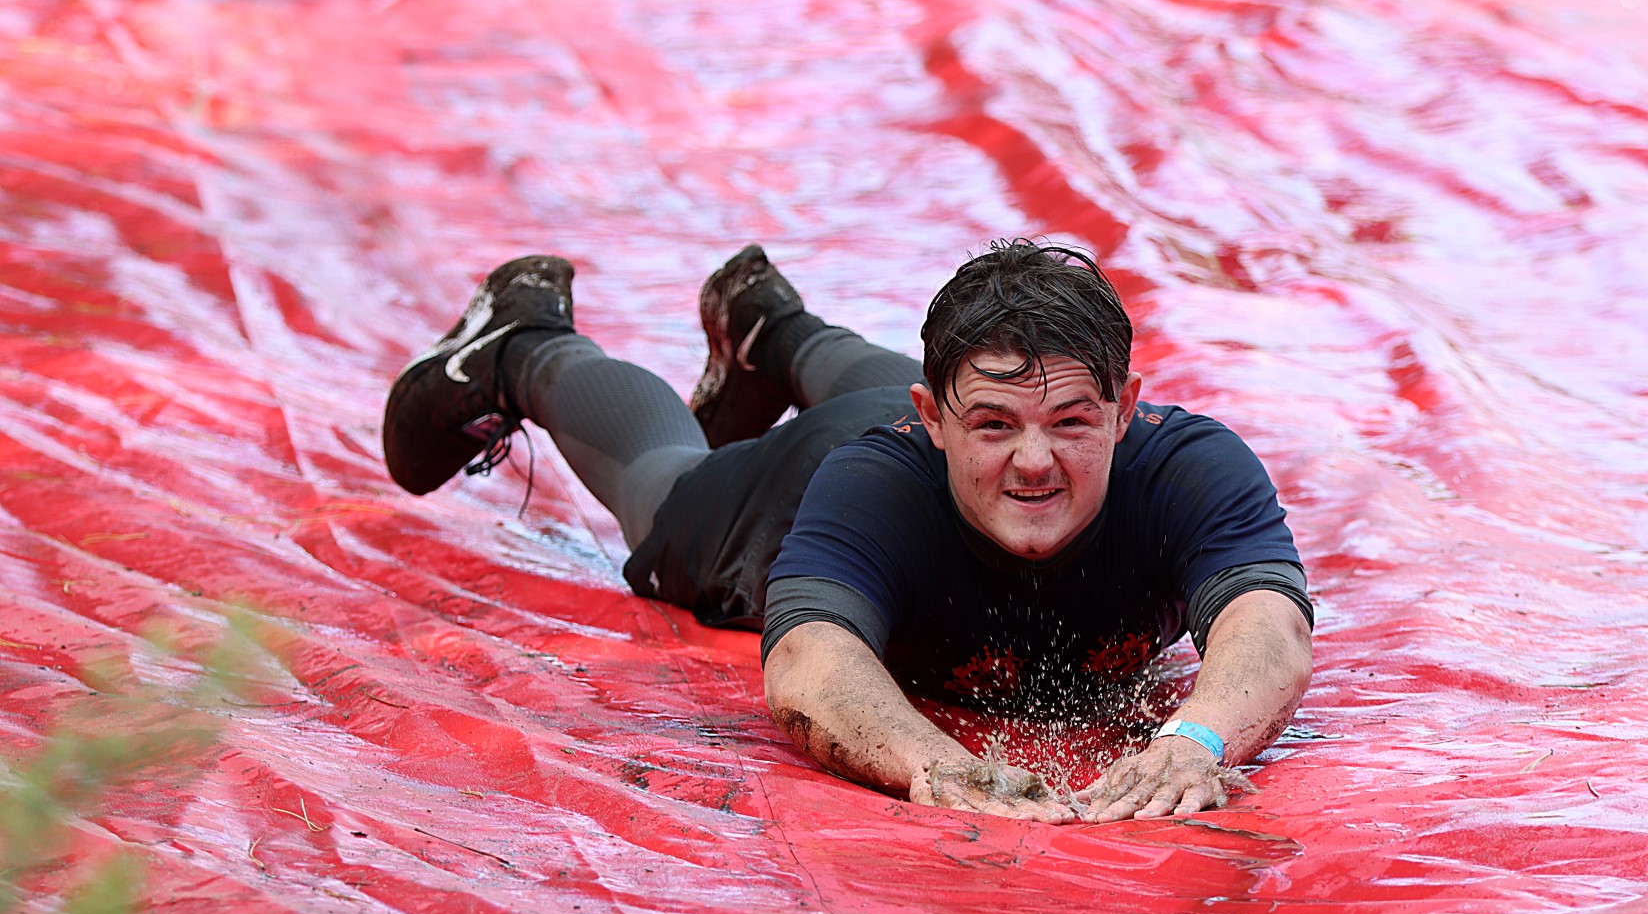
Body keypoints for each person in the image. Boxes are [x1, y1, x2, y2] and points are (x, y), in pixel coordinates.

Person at [382, 241, 1313, 823]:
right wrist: (937, 764)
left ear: (1124, 411)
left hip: (912, 414)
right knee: (664, 488)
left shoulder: (1187, 463)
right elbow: (811, 662)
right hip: (819, 467)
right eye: (993, 427)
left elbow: (1269, 623)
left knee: (990, 392)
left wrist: (1201, 737)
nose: (1036, 461)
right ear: (935, 418)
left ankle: (774, 330)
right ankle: (523, 343)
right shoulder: (872, 485)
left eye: (1072, 422)